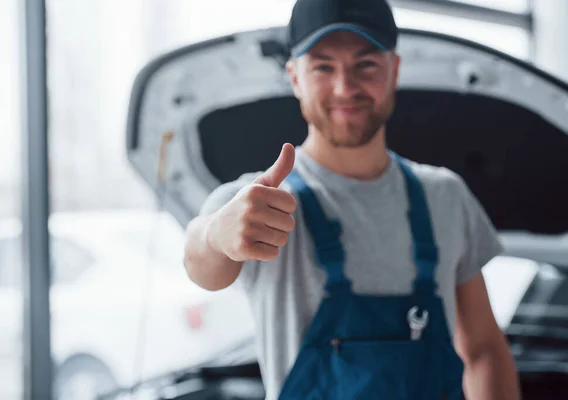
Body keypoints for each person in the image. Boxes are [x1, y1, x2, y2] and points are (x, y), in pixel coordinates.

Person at [183, 0, 521, 398]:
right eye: (323, 67)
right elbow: (201, 264)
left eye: (366, 65)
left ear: (394, 70)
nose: (345, 88)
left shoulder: (446, 196)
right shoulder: (260, 204)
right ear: (294, 77)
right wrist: (214, 238)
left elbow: (483, 349)